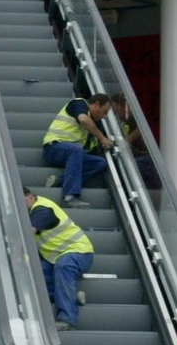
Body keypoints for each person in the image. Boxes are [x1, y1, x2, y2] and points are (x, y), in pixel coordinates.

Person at [25, 188, 94, 329]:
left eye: (23, 200)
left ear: (32, 197)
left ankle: (67, 320)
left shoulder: (42, 208)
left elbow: (28, 232)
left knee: (63, 267)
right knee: (31, 274)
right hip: (56, 258)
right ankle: (70, 297)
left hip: (79, 251)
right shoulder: (31, 212)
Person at [40, 92, 114, 206]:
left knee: (100, 163)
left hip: (70, 154)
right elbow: (83, 119)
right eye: (104, 111)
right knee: (76, 150)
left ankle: (59, 181)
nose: (104, 116)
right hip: (53, 148)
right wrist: (102, 138)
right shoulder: (79, 103)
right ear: (97, 104)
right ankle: (70, 196)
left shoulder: (94, 123)